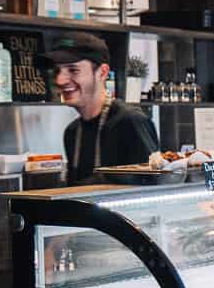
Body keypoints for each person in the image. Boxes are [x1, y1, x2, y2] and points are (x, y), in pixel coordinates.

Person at [44, 33, 158, 183]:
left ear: (102, 73)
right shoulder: (72, 133)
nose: (60, 80)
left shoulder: (131, 122)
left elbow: (154, 186)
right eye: (57, 71)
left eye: (73, 70)